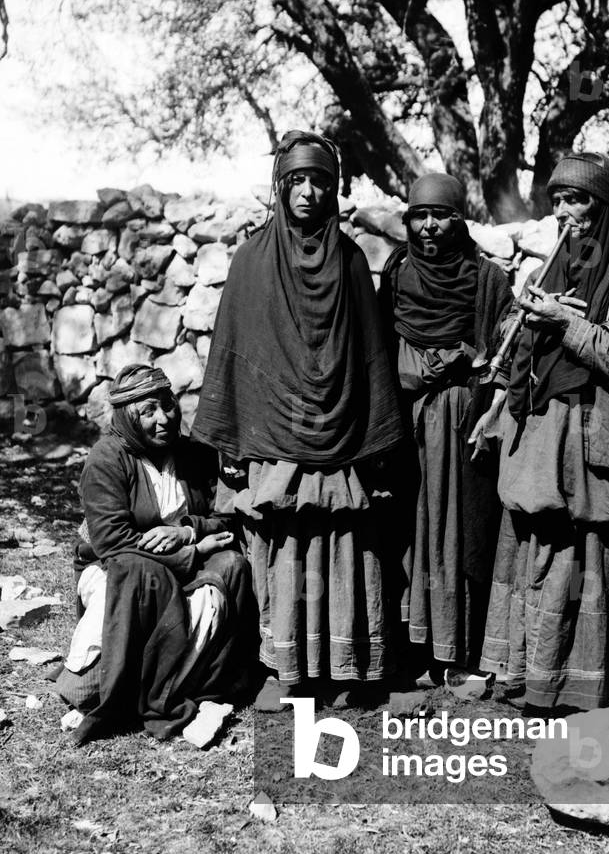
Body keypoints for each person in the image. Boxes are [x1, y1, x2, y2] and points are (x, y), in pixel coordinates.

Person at [192, 130, 404, 705]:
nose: (309, 193)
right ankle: (285, 669)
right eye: (298, 181)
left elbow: (371, 355)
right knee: (283, 546)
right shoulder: (251, 261)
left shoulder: (353, 261)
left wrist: (375, 432)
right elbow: (235, 352)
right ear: (280, 187)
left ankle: (344, 666)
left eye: (321, 182)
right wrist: (235, 438)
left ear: (334, 190)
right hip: (275, 441)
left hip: (343, 439)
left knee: (340, 544)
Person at [473, 152, 609, 711]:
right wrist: (524, 329)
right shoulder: (552, 268)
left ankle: (585, 686)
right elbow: (517, 341)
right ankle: (530, 677)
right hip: (544, 446)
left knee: (592, 559)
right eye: (559, 202)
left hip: (602, 452)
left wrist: (568, 324)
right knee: (540, 552)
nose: (567, 213)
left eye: (580, 201)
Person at [57, 363, 256, 744]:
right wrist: (193, 551)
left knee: (232, 566)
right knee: (143, 575)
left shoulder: (193, 455)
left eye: (167, 406)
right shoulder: (107, 459)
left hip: (180, 555)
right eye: (147, 412)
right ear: (126, 417)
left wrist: (185, 530)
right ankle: (116, 689)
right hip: (115, 568)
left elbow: (223, 516)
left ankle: (188, 683)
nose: (163, 419)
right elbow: (112, 542)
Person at [379, 173, 514, 681]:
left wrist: (488, 403)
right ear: (409, 220)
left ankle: (457, 647)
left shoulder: (487, 279)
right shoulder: (396, 274)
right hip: (408, 417)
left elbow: (506, 355)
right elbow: (378, 346)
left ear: (461, 219)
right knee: (412, 527)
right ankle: (412, 643)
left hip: (464, 419)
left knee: (459, 529)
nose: (430, 226)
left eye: (441, 215)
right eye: (421, 215)